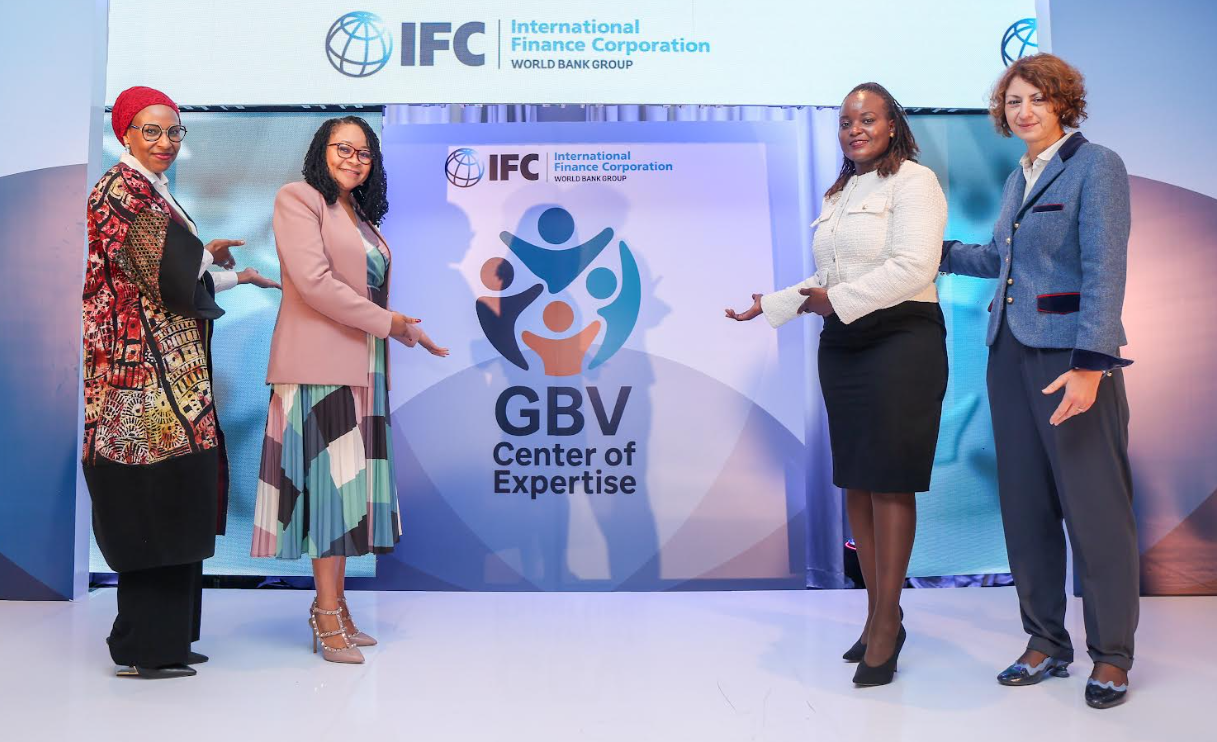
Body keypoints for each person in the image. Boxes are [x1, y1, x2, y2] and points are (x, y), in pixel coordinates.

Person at [727, 82, 948, 686]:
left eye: (867, 119)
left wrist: (834, 299)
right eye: (846, 122)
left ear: (892, 124)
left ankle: (887, 624)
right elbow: (828, 273)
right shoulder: (841, 191)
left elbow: (914, 266)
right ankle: (878, 614)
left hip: (902, 338)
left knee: (889, 481)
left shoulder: (915, 182)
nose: (855, 130)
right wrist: (775, 303)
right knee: (857, 480)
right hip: (845, 344)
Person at [938, 53, 1137, 710]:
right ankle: (1045, 641)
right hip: (1007, 356)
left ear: (1063, 103)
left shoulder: (1096, 166)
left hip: (1069, 362)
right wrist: (934, 251)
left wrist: (1090, 365)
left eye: (1037, 98)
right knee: (1025, 508)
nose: (1023, 111)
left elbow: (1105, 269)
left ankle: (1111, 656)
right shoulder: (1015, 176)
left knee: (1095, 511)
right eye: (1013, 100)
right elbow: (1004, 260)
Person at [83, 86, 278, 680]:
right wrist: (218, 267)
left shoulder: (152, 189)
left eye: (173, 131)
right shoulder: (122, 190)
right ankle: (145, 646)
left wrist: (219, 266)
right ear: (125, 133)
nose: (165, 142)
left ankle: (167, 639)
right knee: (153, 503)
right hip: (139, 379)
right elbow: (166, 278)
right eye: (151, 131)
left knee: (176, 499)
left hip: (171, 375)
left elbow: (170, 272)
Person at [251, 116, 448, 664]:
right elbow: (314, 284)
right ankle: (325, 613)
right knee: (330, 496)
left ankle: (335, 607)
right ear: (322, 150)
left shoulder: (357, 214)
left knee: (347, 495)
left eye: (364, 153)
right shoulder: (298, 198)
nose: (354, 160)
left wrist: (400, 328)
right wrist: (389, 323)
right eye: (343, 148)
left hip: (363, 367)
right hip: (319, 368)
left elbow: (365, 292)